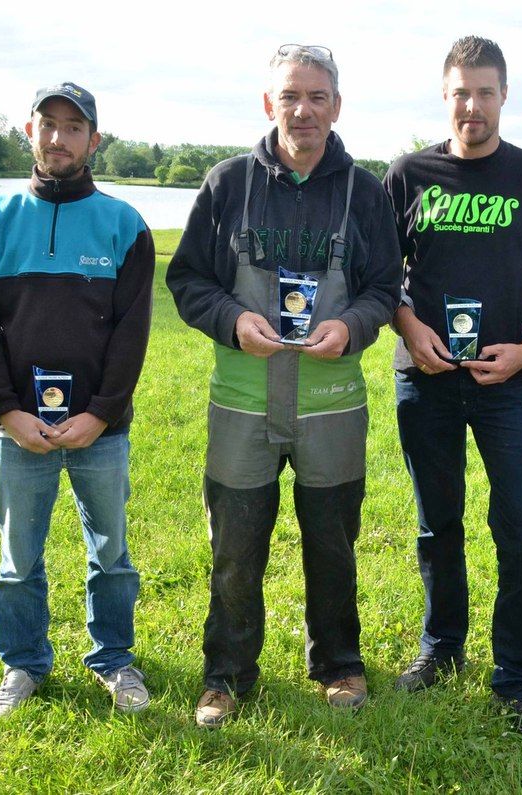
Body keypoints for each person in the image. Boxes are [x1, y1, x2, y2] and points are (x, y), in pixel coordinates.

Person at [166, 44, 400, 727]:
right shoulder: (227, 184)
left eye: (317, 97)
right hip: (242, 403)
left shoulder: (365, 193)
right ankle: (227, 674)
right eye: (290, 96)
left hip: (331, 405)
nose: (303, 110)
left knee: (333, 542)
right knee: (235, 548)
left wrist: (352, 325)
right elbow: (188, 280)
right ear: (269, 104)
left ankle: (338, 663)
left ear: (337, 106)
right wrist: (232, 319)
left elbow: (385, 288)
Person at [383, 35, 522, 750]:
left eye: (485, 92)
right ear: (446, 95)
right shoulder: (407, 174)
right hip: (426, 379)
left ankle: (519, 677)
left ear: (504, 95)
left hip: (509, 385)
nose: (473, 105)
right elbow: (382, 276)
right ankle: (441, 648)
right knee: (437, 523)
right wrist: (409, 329)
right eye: (461, 92)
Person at [0, 82, 155, 728]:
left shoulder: (125, 226)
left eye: (74, 127)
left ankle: (115, 660)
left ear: (94, 141)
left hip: (101, 430)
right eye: (48, 124)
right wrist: (6, 412)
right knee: (18, 562)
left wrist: (102, 412)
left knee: (112, 553)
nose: (59, 138)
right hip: (19, 430)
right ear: (29, 132)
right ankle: (23, 665)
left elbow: (132, 330)